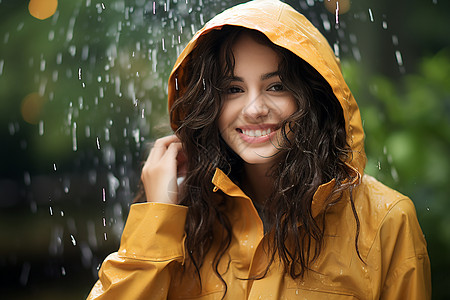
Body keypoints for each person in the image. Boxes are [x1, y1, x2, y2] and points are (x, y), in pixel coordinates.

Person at [87, 0, 431, 299]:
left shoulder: (387, 220)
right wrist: (157, 217)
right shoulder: (182, 219)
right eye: (233, 89)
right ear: (209, 103)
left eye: (277, 86)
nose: (253, 109)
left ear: (313, 97)